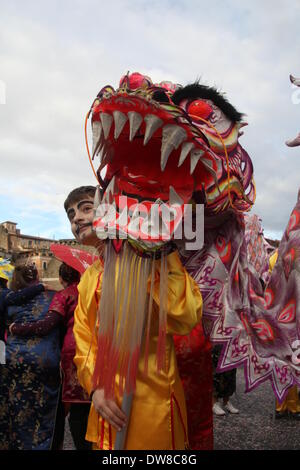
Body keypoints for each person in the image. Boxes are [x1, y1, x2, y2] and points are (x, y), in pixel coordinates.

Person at [64, 186, 203, 450]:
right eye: (71, 214)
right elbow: (83, 338)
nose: (77, 219)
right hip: (106, 407)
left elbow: (185, 316)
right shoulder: (89, 277)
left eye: (85, 208)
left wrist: (155, 253)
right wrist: (96, 387)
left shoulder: (151, 260)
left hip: (151, 406)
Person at [10, 262, 92, 449]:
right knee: (91, 403)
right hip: (94, 349)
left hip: (73, 352)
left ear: (61, 278)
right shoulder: (89, 291)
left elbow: (47, 325)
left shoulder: (62, 296)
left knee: (76, 408)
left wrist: (17, 328)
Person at [0, 265, 60, 450]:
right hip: (44, 360)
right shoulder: (55, 297)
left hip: (12, 359)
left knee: (15, 409)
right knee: (43, 411)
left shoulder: (9, 299)